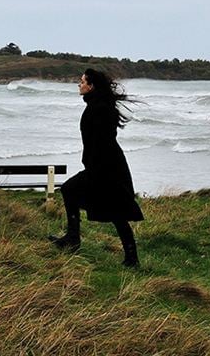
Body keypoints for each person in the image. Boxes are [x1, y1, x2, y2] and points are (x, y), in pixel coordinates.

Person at [50, 68, 144, 267]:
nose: (79, 84)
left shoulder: (99, 108)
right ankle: (75, 239)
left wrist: (95, 168)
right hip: (104, 165)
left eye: (82, 81)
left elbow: (103, 141)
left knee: (111, 208)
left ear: (91, 86)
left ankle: (75, 239)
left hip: (106, 167)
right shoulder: (97, 105)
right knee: (113, 210)